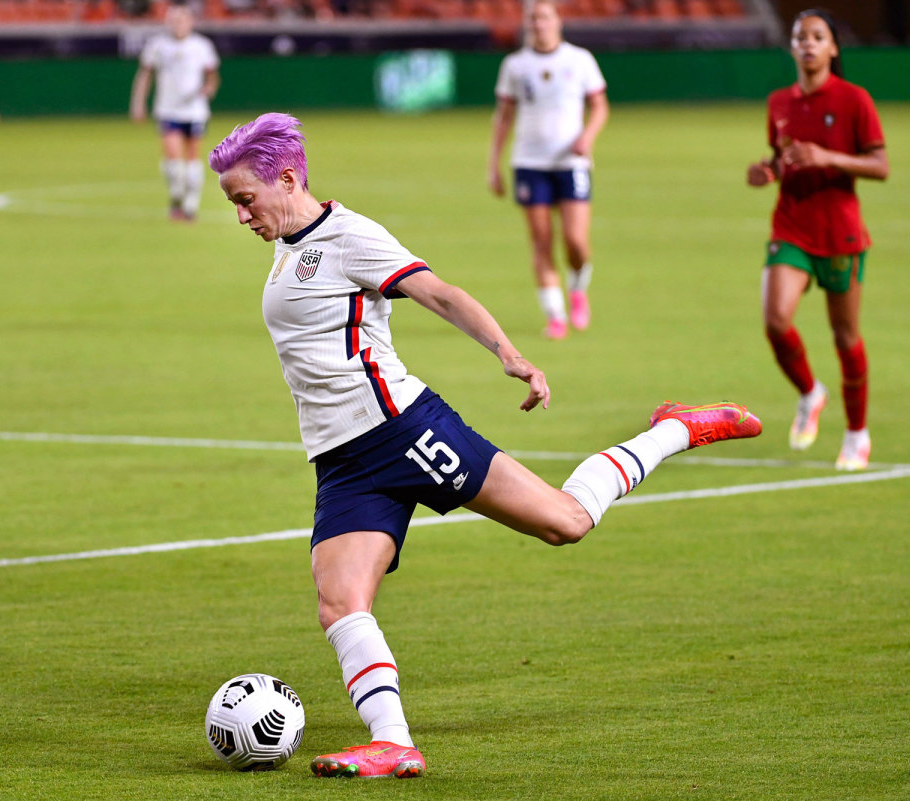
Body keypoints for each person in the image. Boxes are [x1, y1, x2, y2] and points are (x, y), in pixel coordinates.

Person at [209, 112, 762, 779]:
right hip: (344, 462)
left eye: (246, 200)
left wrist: (510, 353)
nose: (242, 215)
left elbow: (437, 292)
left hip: (404, 432)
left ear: (288, 179)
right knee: (339, 601)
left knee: (566, 522)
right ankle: (394, 742)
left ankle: (676, 426)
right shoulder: (289, 242)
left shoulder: (349, 236)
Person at [747, 8, 888, 471]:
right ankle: (811, 393)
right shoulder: (779, 103)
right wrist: (767, 171)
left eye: (817, 36)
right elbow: (781, 158)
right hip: (791, 226)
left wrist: (828, 155)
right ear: (791, 47)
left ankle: (856, 433)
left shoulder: (854, 100)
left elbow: (880, 165)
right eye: (799, 36)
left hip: (841, 232)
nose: (807, 43)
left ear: (833, 48)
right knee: (775, 320)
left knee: (846, 338)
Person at [488, 0, 609, 340]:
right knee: (541, 242)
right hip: (529, 162)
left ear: (557, 20)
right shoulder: (515, 65)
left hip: (571, 162)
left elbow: (599, 106)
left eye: (544, 17)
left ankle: (577, 288)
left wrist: (587, 136)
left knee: (576, 241)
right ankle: (556, 316)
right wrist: (494, 164)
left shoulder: (579, 59)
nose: (538, 24)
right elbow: (504, 117)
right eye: (533, 19)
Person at [129, 2, 220, 222]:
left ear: (191, 22)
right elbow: (144, 75)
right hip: (168, 110)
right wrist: (138, 103)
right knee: (174, 161)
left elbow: (212, 76)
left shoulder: (202, 46)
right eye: (174, 20)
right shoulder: (157, 45)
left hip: (195, 111)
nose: (179, 24)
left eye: (183, 19)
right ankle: (177, 197)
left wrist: (209, 88)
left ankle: (191, 205)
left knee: (192, 157)